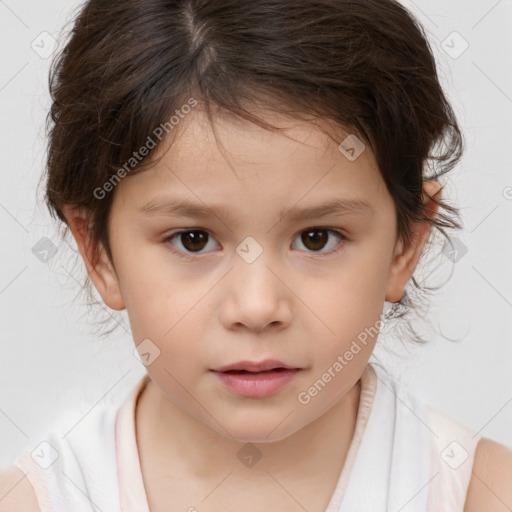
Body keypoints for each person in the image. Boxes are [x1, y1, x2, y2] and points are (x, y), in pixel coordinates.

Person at [1, 0, 511, 510]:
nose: (257, 307)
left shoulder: (482, 495)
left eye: (316, 238)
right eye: (193, 240)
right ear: (99, 253)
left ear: (405, 244)